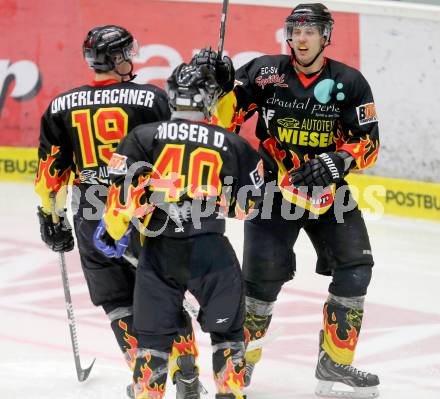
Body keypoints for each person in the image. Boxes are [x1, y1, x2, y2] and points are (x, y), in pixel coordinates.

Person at [193, 3, 380, 398]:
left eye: (311, 30)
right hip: (273, 191)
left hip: (329, 193)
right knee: (260, 287)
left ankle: (335, 362)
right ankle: (237, 370)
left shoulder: (351, 81)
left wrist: (337, 160)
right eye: (295, 29)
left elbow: (368, 144)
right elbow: (222, 124)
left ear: (326, 36)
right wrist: (223, 89)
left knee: (356, 268)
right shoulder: (265, 72)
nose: (301, 36)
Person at [34, 25, 200, 398]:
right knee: (163, 291)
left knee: (117, 301)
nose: (133, 58)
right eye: (128, 52)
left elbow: (50, 172)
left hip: (92, 215)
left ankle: (147, 381)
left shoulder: (60, 105)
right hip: (143, 211)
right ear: (118, 58)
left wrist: (51, 215)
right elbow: (175, 154)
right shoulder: (151, 98)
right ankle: (186, 373)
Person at [94, 62, 265, 399]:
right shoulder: (234, 144)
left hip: (160, 252)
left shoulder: (142, 137)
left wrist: (113, 231)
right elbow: (249, 208)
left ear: (172, 94)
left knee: (153, 344)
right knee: (228, 336)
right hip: (212, 252)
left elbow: (120, 203)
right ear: (209, 98)